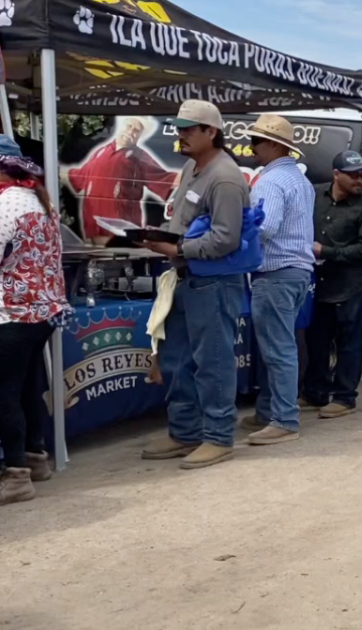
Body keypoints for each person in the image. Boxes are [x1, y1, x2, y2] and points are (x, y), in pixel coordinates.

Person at [139, 100, 250, 470]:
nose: (180, 134)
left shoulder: (225, 177)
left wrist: (176, 246)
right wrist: (160, 238)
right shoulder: (193, 167)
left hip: (214, 281)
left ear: (211, 132)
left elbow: (226, 239)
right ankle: (185, 431)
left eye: (188, 128)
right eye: (178, 127)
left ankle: (218, 437)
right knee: (176, 359)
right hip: (187, 278)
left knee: (213, 361)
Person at [0, 137, 72, 506]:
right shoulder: (38, 201)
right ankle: (35, 457)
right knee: (26, 385)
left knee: (4, 392)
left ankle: (15, 475)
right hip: (41, 311)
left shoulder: (4, 203)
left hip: (10, 311)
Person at [237, 114, 316, 446]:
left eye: (256, 142)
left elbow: (264, 228)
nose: (252, 148)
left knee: (278, 348)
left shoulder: (269, 181)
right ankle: (271, 411)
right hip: (297, 272)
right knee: (281, 345)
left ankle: (283, 419)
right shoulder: (301, 181)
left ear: (272, 144)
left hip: (275, 273)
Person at [303, 151, 362, 419]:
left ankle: (345, 397)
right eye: (354, 174)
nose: (360, 179)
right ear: (336, 174)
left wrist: (326, 251)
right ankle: (315, 392)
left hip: (351, 284)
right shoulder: (313, 195)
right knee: (317, 340)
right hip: (320, 284)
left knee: (350, 342)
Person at [63, 117, 175, 241]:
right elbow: (79, 177)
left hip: (118, 235)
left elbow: (165, 179)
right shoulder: (101, 151)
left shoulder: (139, 157)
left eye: (137, 130)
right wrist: (54, 171)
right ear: (122, 126)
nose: (131, 132)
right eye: (129, 126)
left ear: (140, 136)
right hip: (92, 230)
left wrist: (193, 176)